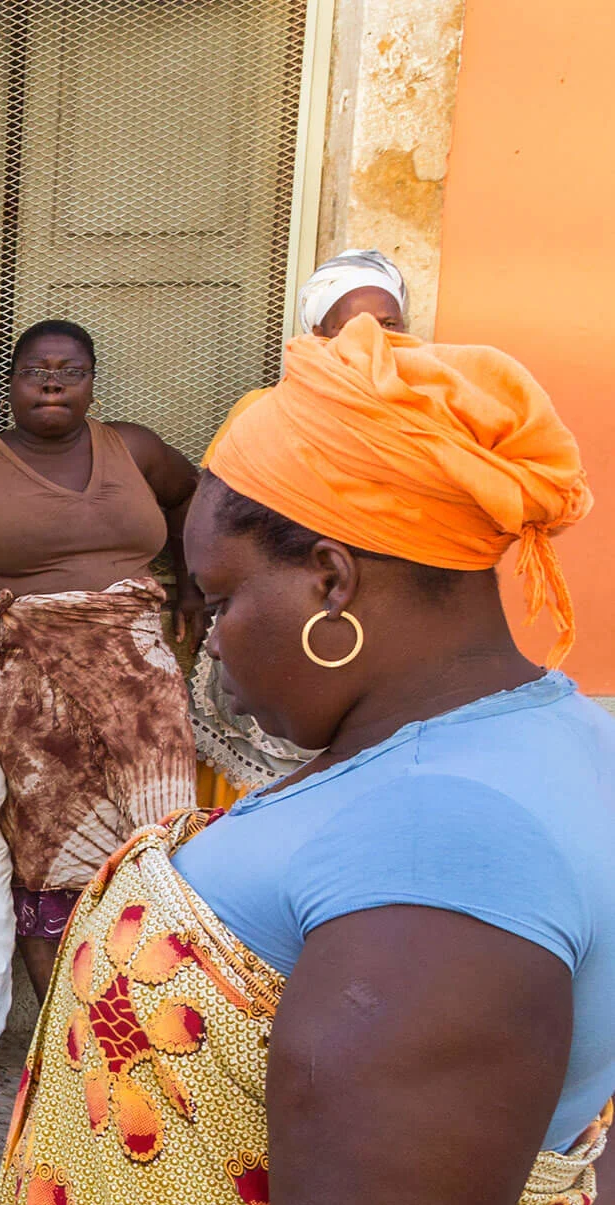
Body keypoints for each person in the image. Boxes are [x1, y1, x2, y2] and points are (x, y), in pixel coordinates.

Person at [0, 319, 607, 1205]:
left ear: (330, 582)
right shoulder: (544, 739)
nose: (214, 637)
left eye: (221, 597)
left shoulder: (442, 840)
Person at [0, 319, 200, 998]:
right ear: (11, 386)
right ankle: (67, 1023)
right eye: (35, 371)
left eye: (69, 371)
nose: (52, 382)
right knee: (45, 836)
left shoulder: (135, 449)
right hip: (19, 673)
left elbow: (192, 498)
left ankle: (161, 999)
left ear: (91, 383)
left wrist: (196, 586)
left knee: (161, 827)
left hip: (137, 671)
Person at [188, 249, 410, 809]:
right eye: (349, 327)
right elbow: (215, 521)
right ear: (316, 333)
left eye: (389, 325)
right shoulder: (265, 413)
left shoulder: (423, 420)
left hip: (380, 631)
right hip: (278, 625)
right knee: (259, 799)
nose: (372, 340)